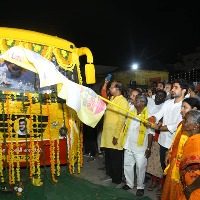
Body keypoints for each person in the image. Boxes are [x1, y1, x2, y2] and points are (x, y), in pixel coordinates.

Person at [148, 79, 188, 193]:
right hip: (162, 142)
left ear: (184, 90)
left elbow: (176, 125)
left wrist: (159, 128)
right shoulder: (168, 103)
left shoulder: (185, 105)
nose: (172, 90)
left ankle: (172, 193)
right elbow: (158, 114)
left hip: (175, 145)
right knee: (164, 168)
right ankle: (166, 191)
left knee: (174, 172)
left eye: (176, 87)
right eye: (173, 87)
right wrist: (151, 119)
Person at [161, 98, 200, 200]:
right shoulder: (183, 126)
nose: (181, 110)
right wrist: (169, 152)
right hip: (176, 167)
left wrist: (190, 188)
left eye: (184, 107)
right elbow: (175, 143)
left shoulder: (196, 141)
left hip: (191, 182)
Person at [121, 94, 154, 196]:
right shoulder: (132, 112)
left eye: (136, 101)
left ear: (143, 103)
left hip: (140, 148)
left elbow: (150, 133)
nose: (134, 102)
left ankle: (140, 186)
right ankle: (129, 184)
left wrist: (148, 148)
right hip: (128, 145)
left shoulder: (149, 116)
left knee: (140, 168)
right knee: (127, 165)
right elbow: (126, 126)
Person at [100, 80, 129, 185]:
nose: (109, 89)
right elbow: (103, 94)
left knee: (115, 158)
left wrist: (116, 135)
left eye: (111, 87)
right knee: (108, 157)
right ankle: (110, 176)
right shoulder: (112, 98)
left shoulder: (123, 101)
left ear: (118, 89)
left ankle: (117, 180)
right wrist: (105, 83)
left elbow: (121, 120)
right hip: (107, 134)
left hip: (114, 135)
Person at [146, 90, 167, 194]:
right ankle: (154, 182)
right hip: (153, 140)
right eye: (157, 95)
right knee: (153, 162)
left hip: (161, 140)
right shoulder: (151, 104)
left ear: (165, 98)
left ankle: (161, 184)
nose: (158, 97)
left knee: (160, 164)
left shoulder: (164, 109)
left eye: (161, 96)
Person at [178, 110, 200, 200]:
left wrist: (190, 189)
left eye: (186, 120)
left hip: (195, 187)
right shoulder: (191, 139)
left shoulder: (196, 143)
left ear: (196, 126)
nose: (182, 122)